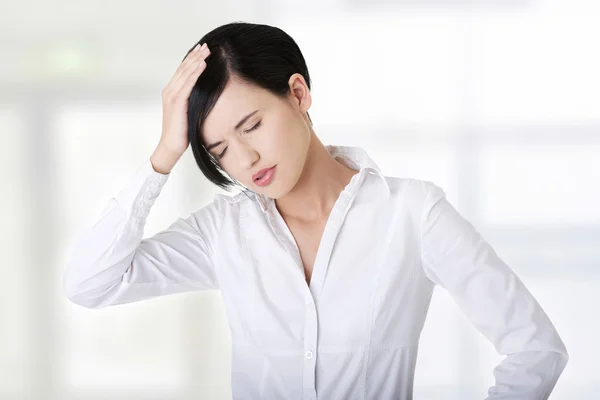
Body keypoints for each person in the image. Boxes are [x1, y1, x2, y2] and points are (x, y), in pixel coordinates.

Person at [63, 21, 569, 400]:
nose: (246, 160)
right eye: (218, 151)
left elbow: (535, 348)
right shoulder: (222, 233)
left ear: (298, 94)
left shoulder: (412, 214)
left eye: (252, 125)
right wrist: (164, 155)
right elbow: (91, 283)